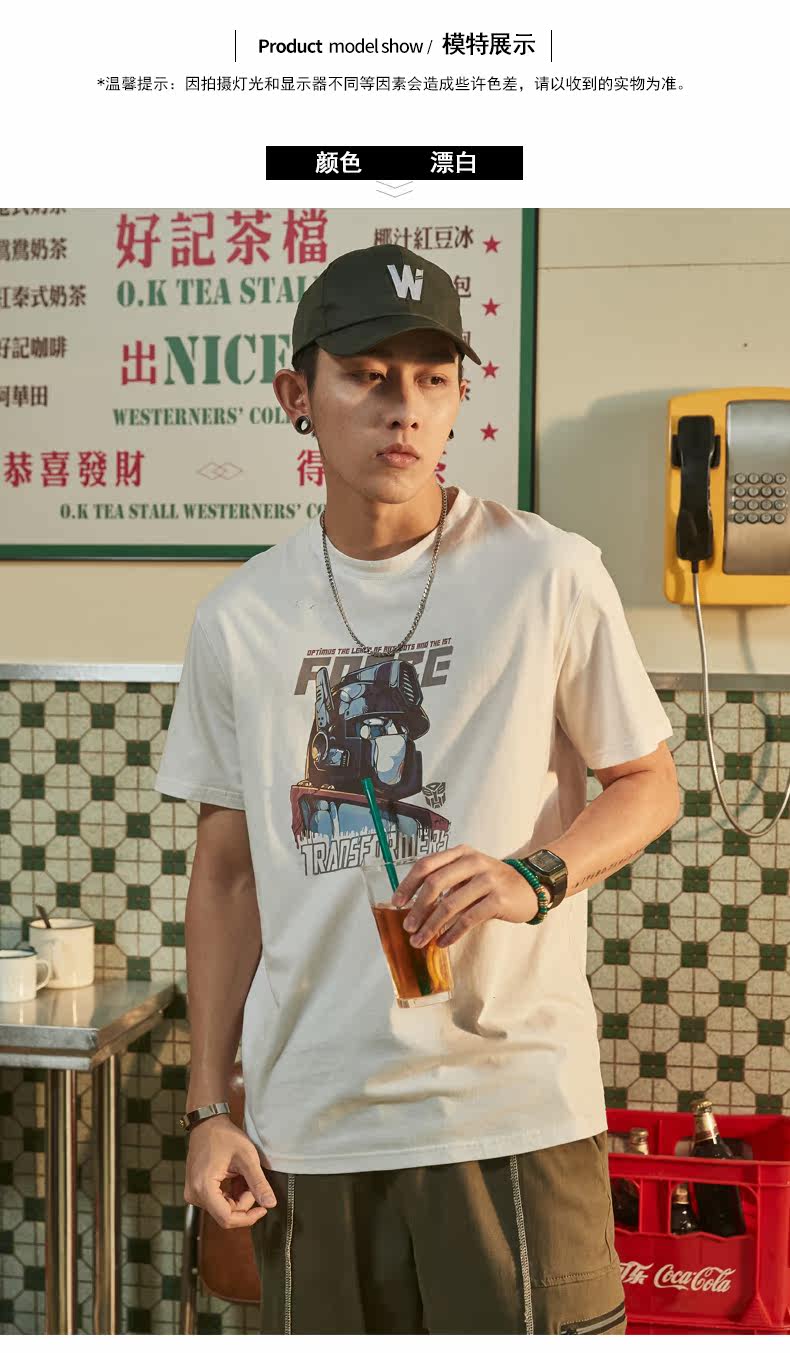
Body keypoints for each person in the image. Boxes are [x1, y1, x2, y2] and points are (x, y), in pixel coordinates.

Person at [155, 243, 680, 1335]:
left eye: (433, 379)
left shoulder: (547, 572)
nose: (404, 407)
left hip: (510, 1108)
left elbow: (647, 782)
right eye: (367, 375)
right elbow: (227, 874)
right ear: (297, 396)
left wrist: (534, 873)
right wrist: (210, 1107)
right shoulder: (240, 618)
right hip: (309, 1122)